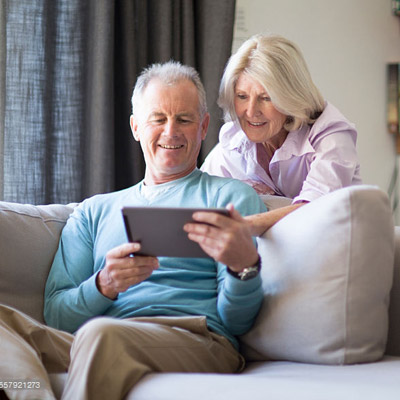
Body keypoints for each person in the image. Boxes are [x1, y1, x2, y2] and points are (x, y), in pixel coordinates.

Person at [0, 61, 266, 400]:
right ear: (136, 127)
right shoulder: (93, 212)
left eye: (184, 119)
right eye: (158, 119)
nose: (171, 131)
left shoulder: (228, 197)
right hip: (100, 339)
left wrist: (244, 267)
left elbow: (238, 323)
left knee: (102, 335)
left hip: (196, 338)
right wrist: (104, 285)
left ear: (203, 127)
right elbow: (56, 315)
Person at [201, 34, 362, 236]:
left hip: (332, 248)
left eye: (266, 98)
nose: (251, 111)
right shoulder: (233, 141)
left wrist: (244, 226)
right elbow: (197, 201)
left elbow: (316, 212)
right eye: (242, 96)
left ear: (290, 97)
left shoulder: (331, 135)